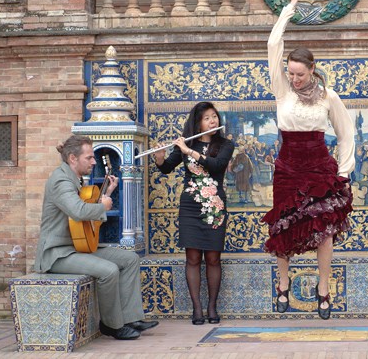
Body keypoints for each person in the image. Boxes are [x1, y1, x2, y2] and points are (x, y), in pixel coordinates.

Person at [263, 0, 355, 320]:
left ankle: (324, 289)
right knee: (283, 226)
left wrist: (343, 171)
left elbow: (346, 134)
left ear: (312, 69)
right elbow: (274, 44)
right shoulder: (281, 90)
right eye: (290, 73)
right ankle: (283, 283)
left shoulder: (328, 96)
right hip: (288, 165)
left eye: (300, 74)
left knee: (324, 230)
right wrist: (289, 9)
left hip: (319, 166)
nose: (295, 78)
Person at [34, 135, 158, 340]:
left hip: (77, 247)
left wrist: (107, 193)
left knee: (130, 259)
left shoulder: (75, 179)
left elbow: (84, 223)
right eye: (89, 157)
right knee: (108, 271)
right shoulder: (60, 180)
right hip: (58, 253)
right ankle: (112, 325)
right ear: (73, 158)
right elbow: (78, 211)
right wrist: (103, 206)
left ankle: (130, 318)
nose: (94, 161)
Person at [153, 102, 234, 325]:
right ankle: (197, 309)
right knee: (193, 258)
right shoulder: (186, 144)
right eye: (207, 118)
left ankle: (212, 307)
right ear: (198, 122)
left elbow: (216, 166)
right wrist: (160, 157)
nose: (212, 121)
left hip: (215, 205)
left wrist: (190, 152)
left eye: (214, 117)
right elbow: (167, 167)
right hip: (190, 206)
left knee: (213, 258)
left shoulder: (226, 145)